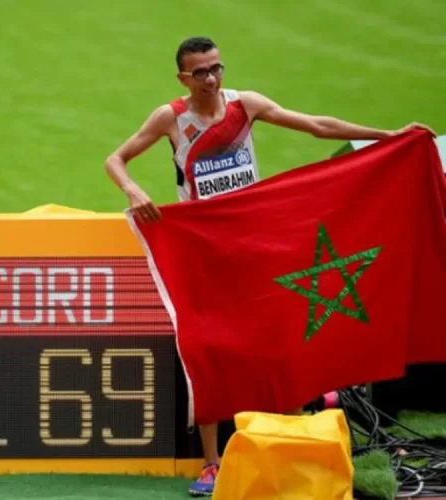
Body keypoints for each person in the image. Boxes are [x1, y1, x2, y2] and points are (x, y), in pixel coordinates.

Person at [103, 36, 436, 497]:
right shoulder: (172, 118)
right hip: (205, 248)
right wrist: (133, 190)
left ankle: (291, 441)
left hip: (254, 241)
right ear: (183, 77)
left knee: (280, 337)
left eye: (216, 67)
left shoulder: (247, 105)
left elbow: (317, 125)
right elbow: (115, 159)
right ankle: (212, 463)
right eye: (199, 72)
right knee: (210, 351)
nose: (211, 78)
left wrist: (388, 136)